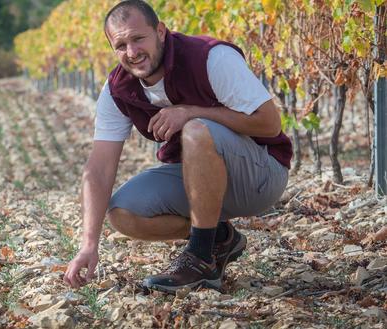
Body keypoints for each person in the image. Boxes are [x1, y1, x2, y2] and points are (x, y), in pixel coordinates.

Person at [63, 0, 292, 293]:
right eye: (120, 45)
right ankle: (218, 238)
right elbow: (99, 167)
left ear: (160, 31)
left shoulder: (210, 58)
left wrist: (191, 112)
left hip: (259, 175)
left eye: (138, 38)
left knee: (196, 129)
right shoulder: (118, 89)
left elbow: (270, 124)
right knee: (123, 212)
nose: (131, 52)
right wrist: (88, 244)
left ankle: (199, 260)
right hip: (201, 179)